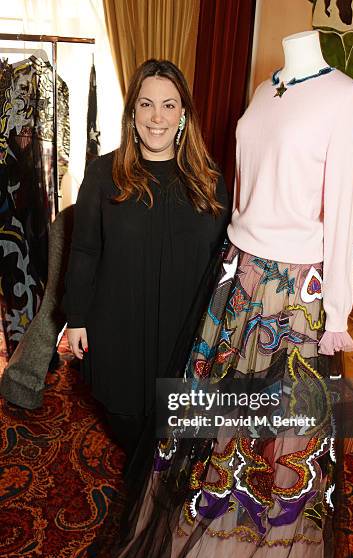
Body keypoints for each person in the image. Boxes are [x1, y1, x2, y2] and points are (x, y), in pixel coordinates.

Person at [105, 31, 353, 558]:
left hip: (293, 293)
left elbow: (346, 210)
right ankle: (201, 543)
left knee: (275, 442)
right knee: (213, 428)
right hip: (236, 278)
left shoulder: (346, 96)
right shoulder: (261, 89)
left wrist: (338, 311)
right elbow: (244, 193)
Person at [63, 59, 229, 458]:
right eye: (146, 104)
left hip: (185, 336)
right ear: (132, 112)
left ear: (184, 113)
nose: (157, 117)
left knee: (178, 442)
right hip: (119, 331)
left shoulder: (209, 179)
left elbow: (223, 261)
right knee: (128, 427)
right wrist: (76, 318)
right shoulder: (104, 174)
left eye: (169, 105)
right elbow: (85, 249)